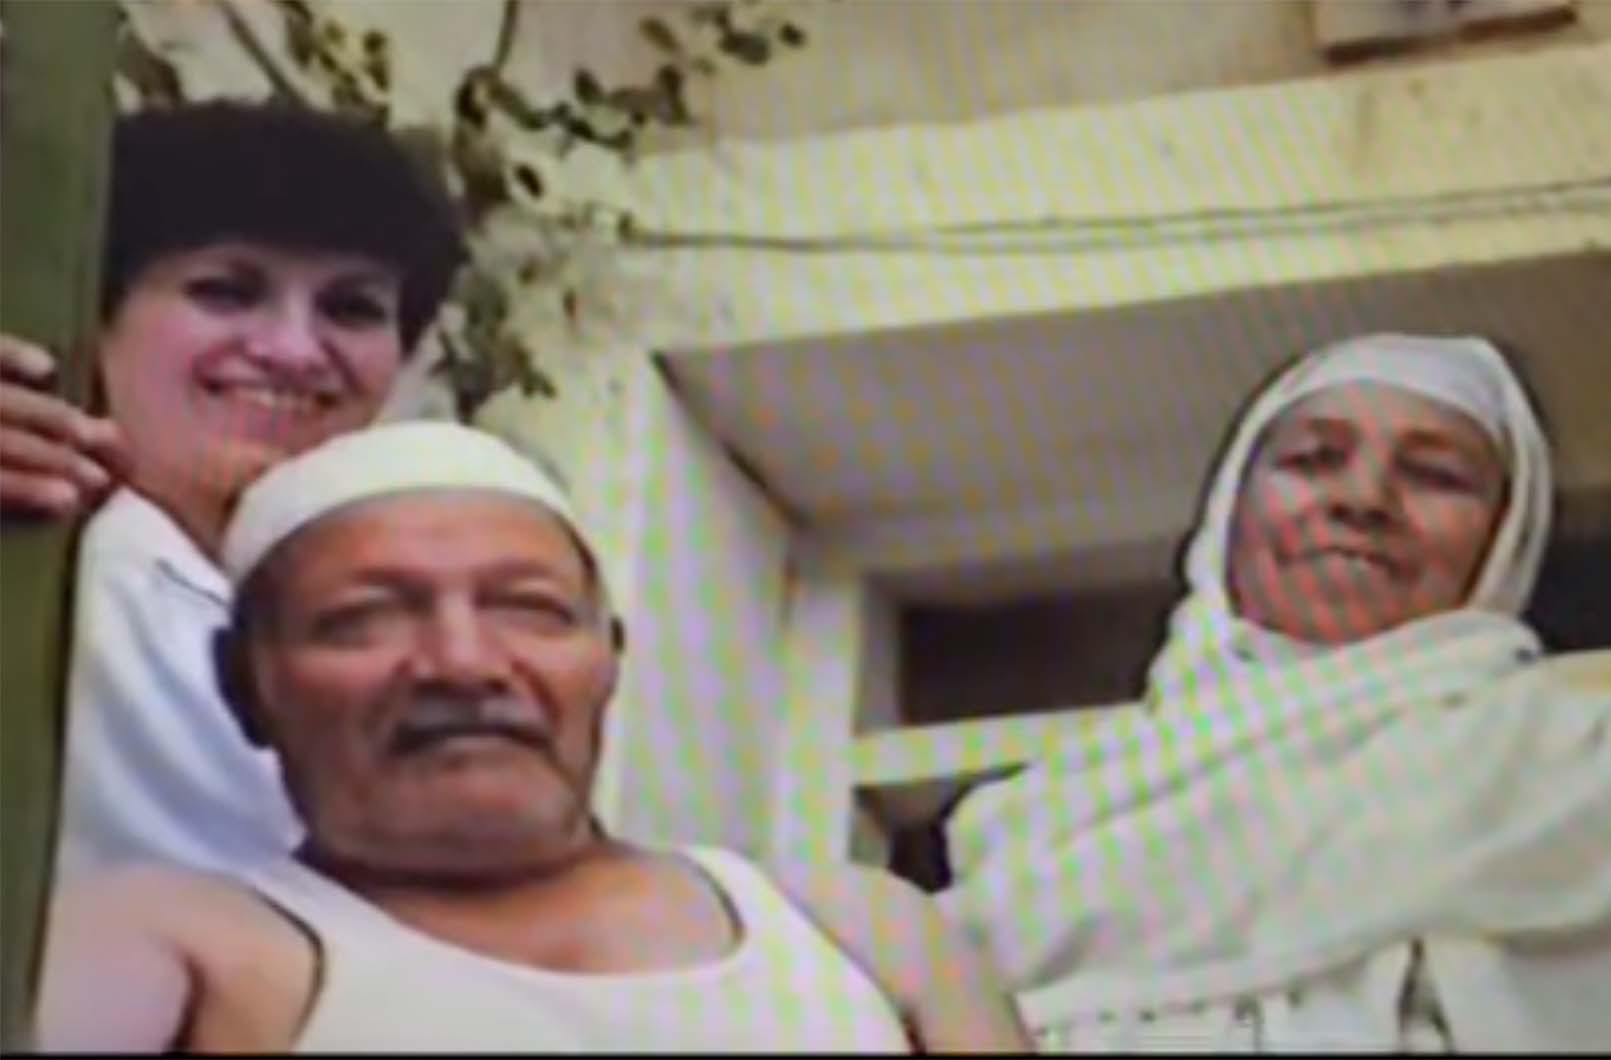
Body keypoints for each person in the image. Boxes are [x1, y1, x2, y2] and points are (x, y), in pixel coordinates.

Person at [34, 421, 1031, 1053]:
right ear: (245, 686)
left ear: (608, 659)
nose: (462, 662)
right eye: (363, 618)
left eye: (528, 609)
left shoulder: (852, 932)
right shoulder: (180, 943)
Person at [939, 334, 1611, 1052]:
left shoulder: (1604, 773)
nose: (1363, 499)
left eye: (1434, 475)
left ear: (1506, 536)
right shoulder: (1055, 815)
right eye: (1314, 460)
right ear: (1229, 507)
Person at [0, 101, 466, 877]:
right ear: (98, 318)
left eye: (351, 308)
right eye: (224, 291)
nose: (293, 351)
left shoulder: (417, 627)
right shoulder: (45, 558)